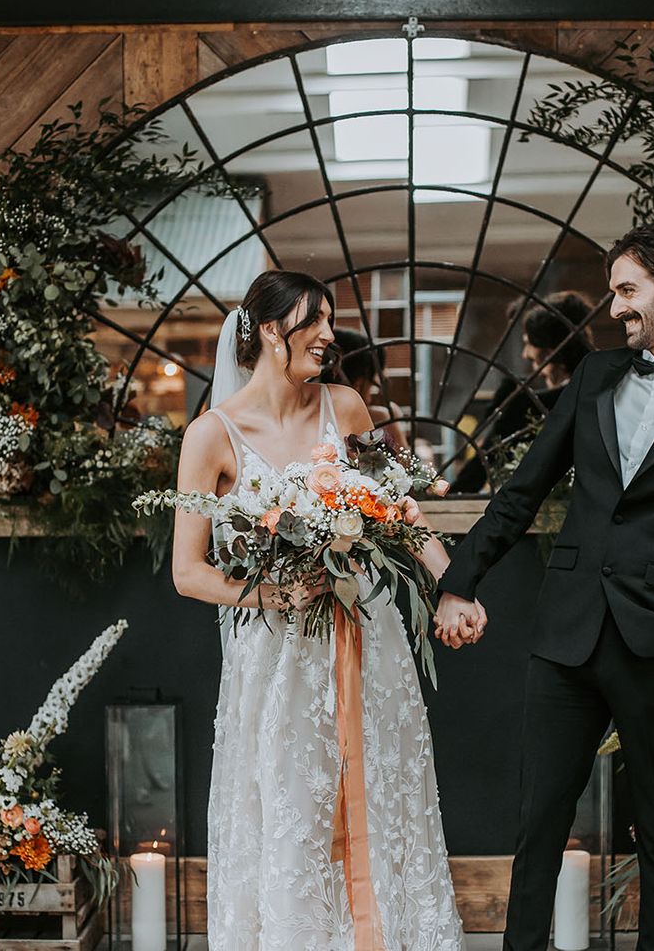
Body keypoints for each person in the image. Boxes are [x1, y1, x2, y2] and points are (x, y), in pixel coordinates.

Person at [433, 222, 654, 951]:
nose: (615, 306)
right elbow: (522, 491)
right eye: (615, 291)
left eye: (627, 290)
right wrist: (457, 582)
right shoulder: (592, 376)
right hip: (565, 632)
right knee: (538, 824)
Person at [171, 270, 466, 951]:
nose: (331, 336)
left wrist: (453, 587)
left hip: (366, 637)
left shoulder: (346, 407)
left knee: (381, 795)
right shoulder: (211, 437)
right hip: (277, 657)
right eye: (317, 321)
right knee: (295, 806)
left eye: (331, 321)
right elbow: (189, 573)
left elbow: (398, 516)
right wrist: (272, 594)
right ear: (272, 331)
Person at [452, 291, 595, 493]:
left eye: (528, 343)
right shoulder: (595, 388)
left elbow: (484, 464)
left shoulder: (530, 404)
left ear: (550, 349)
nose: (525, 354)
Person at [322, 327, 409, 448]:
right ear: (358, 383)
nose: (373, 394)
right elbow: (405, 465)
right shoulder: (380, 418)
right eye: (373, 385)